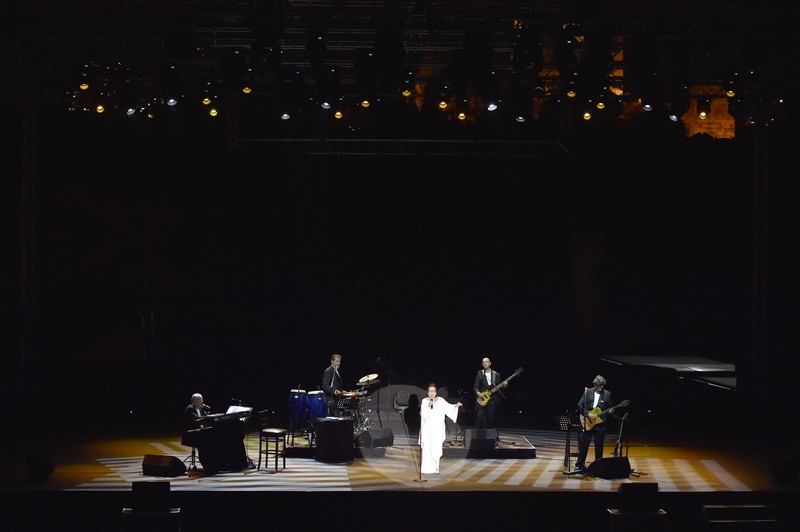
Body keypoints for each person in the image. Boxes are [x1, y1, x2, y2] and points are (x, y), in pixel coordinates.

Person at [575, 374, 616, 474]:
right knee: (584, 445)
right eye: (600, 385)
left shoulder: (607, 394)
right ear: (595, 384)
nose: (602, 387)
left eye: (603, 385)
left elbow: (610, 409)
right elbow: (579, 405)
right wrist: (588, 414)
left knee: (599, 446)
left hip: (600, 423)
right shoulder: (587, 392)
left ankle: (598, 466)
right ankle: (579, 465)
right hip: (587, 422)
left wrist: (611, 412)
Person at [419, 383, 462, 475]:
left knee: (436, 447)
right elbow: (423, 414)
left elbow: (448, 408)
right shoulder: (424, 401)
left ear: (436, 392)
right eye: (430, 391)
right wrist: (428, 406)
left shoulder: (441, 400)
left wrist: (455, 406)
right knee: (427, 447)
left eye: (433, 391)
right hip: (427, 429)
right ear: (427, 392)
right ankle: (426, 468)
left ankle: (435, 467)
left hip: (437, 429)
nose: (432, 393)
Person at [473, 356, 507, 432]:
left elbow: (499, 388)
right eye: (483, 362)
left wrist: (504, 385)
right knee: (479, 420)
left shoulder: (496, 375)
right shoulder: (480, 373)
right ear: (482, 364)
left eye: (487, 362)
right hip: (482, 400)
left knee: (491, 421)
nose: (485, 363)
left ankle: (489, 441)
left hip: (492, 401)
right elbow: (475, 386)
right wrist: (479, 394)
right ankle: (478, 439)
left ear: (490, 363)